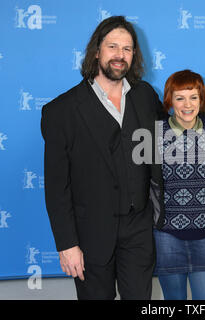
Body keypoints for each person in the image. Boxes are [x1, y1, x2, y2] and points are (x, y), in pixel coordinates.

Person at [41, 16, 163, 300]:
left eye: (127, 49)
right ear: (97, 51)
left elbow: (173, 131)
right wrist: (67, 245)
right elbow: (57, 187)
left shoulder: (145, 96)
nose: (120, 55)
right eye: (112, 47)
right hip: (90, 234)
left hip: (138, 229)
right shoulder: (62, 111)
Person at [150, 70, 205, 300]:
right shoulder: (154, 135)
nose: (187, 104)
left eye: (193, 97)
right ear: (170, 101)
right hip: (167, 235)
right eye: (180, 98)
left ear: (202, 100)